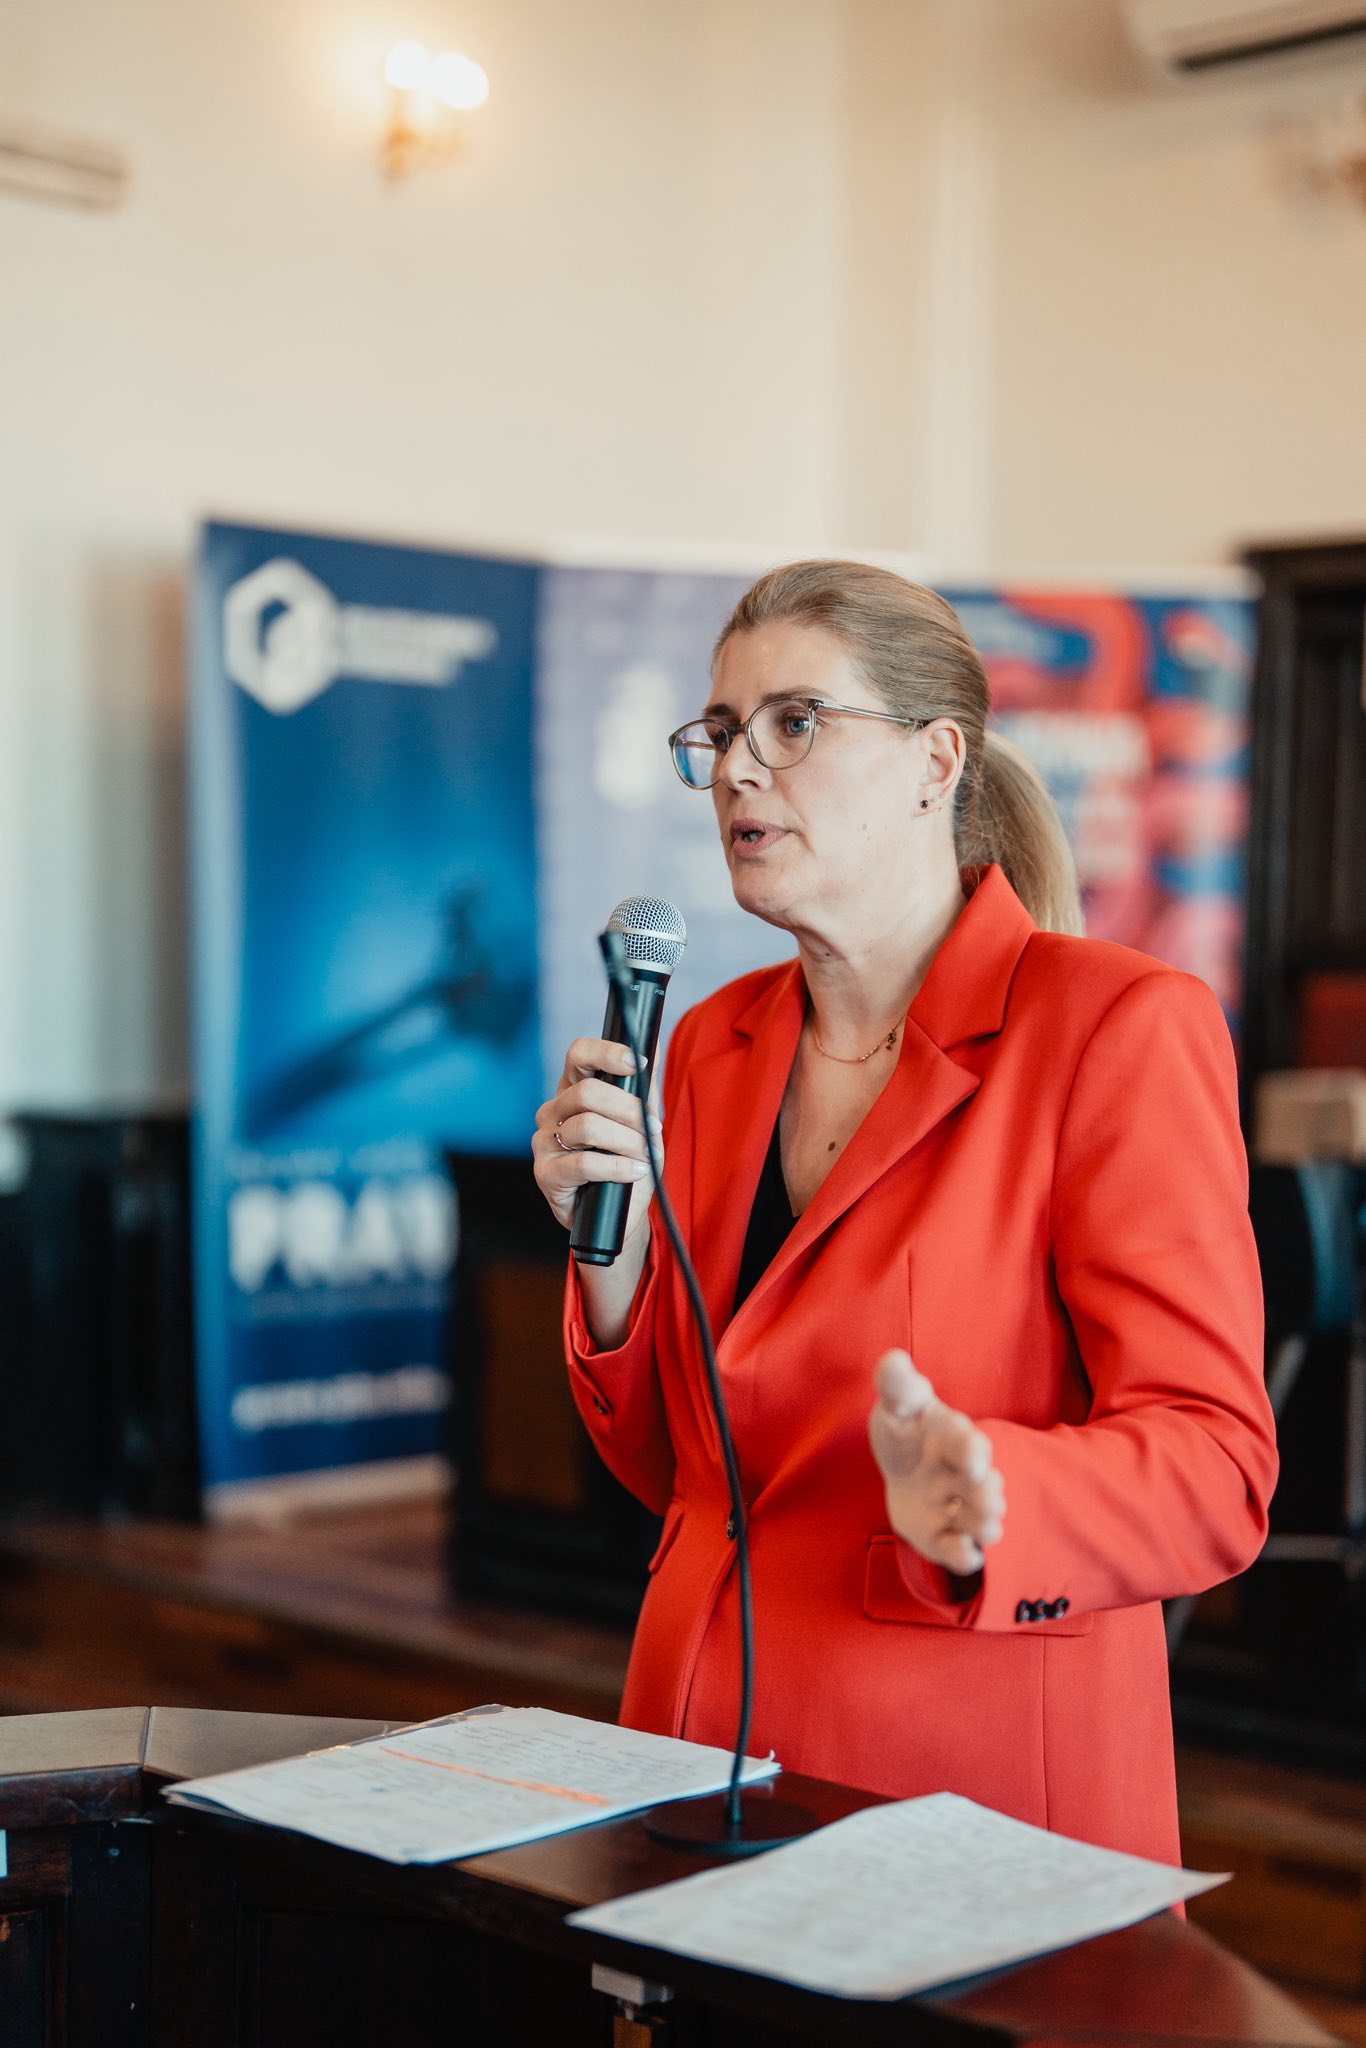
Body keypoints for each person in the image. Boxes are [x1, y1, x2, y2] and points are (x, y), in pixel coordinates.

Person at [531, 559, 1276, 1865]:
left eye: (794, 722)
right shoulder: (708, 1045)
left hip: (960, 1806)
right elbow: (678, 1476)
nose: (737, 769)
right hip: (687, 1762)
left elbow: (1216, 1470)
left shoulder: (1113, 1028)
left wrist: (991, 1499)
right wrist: (616, 1258)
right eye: (721, 731)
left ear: (936, 760)